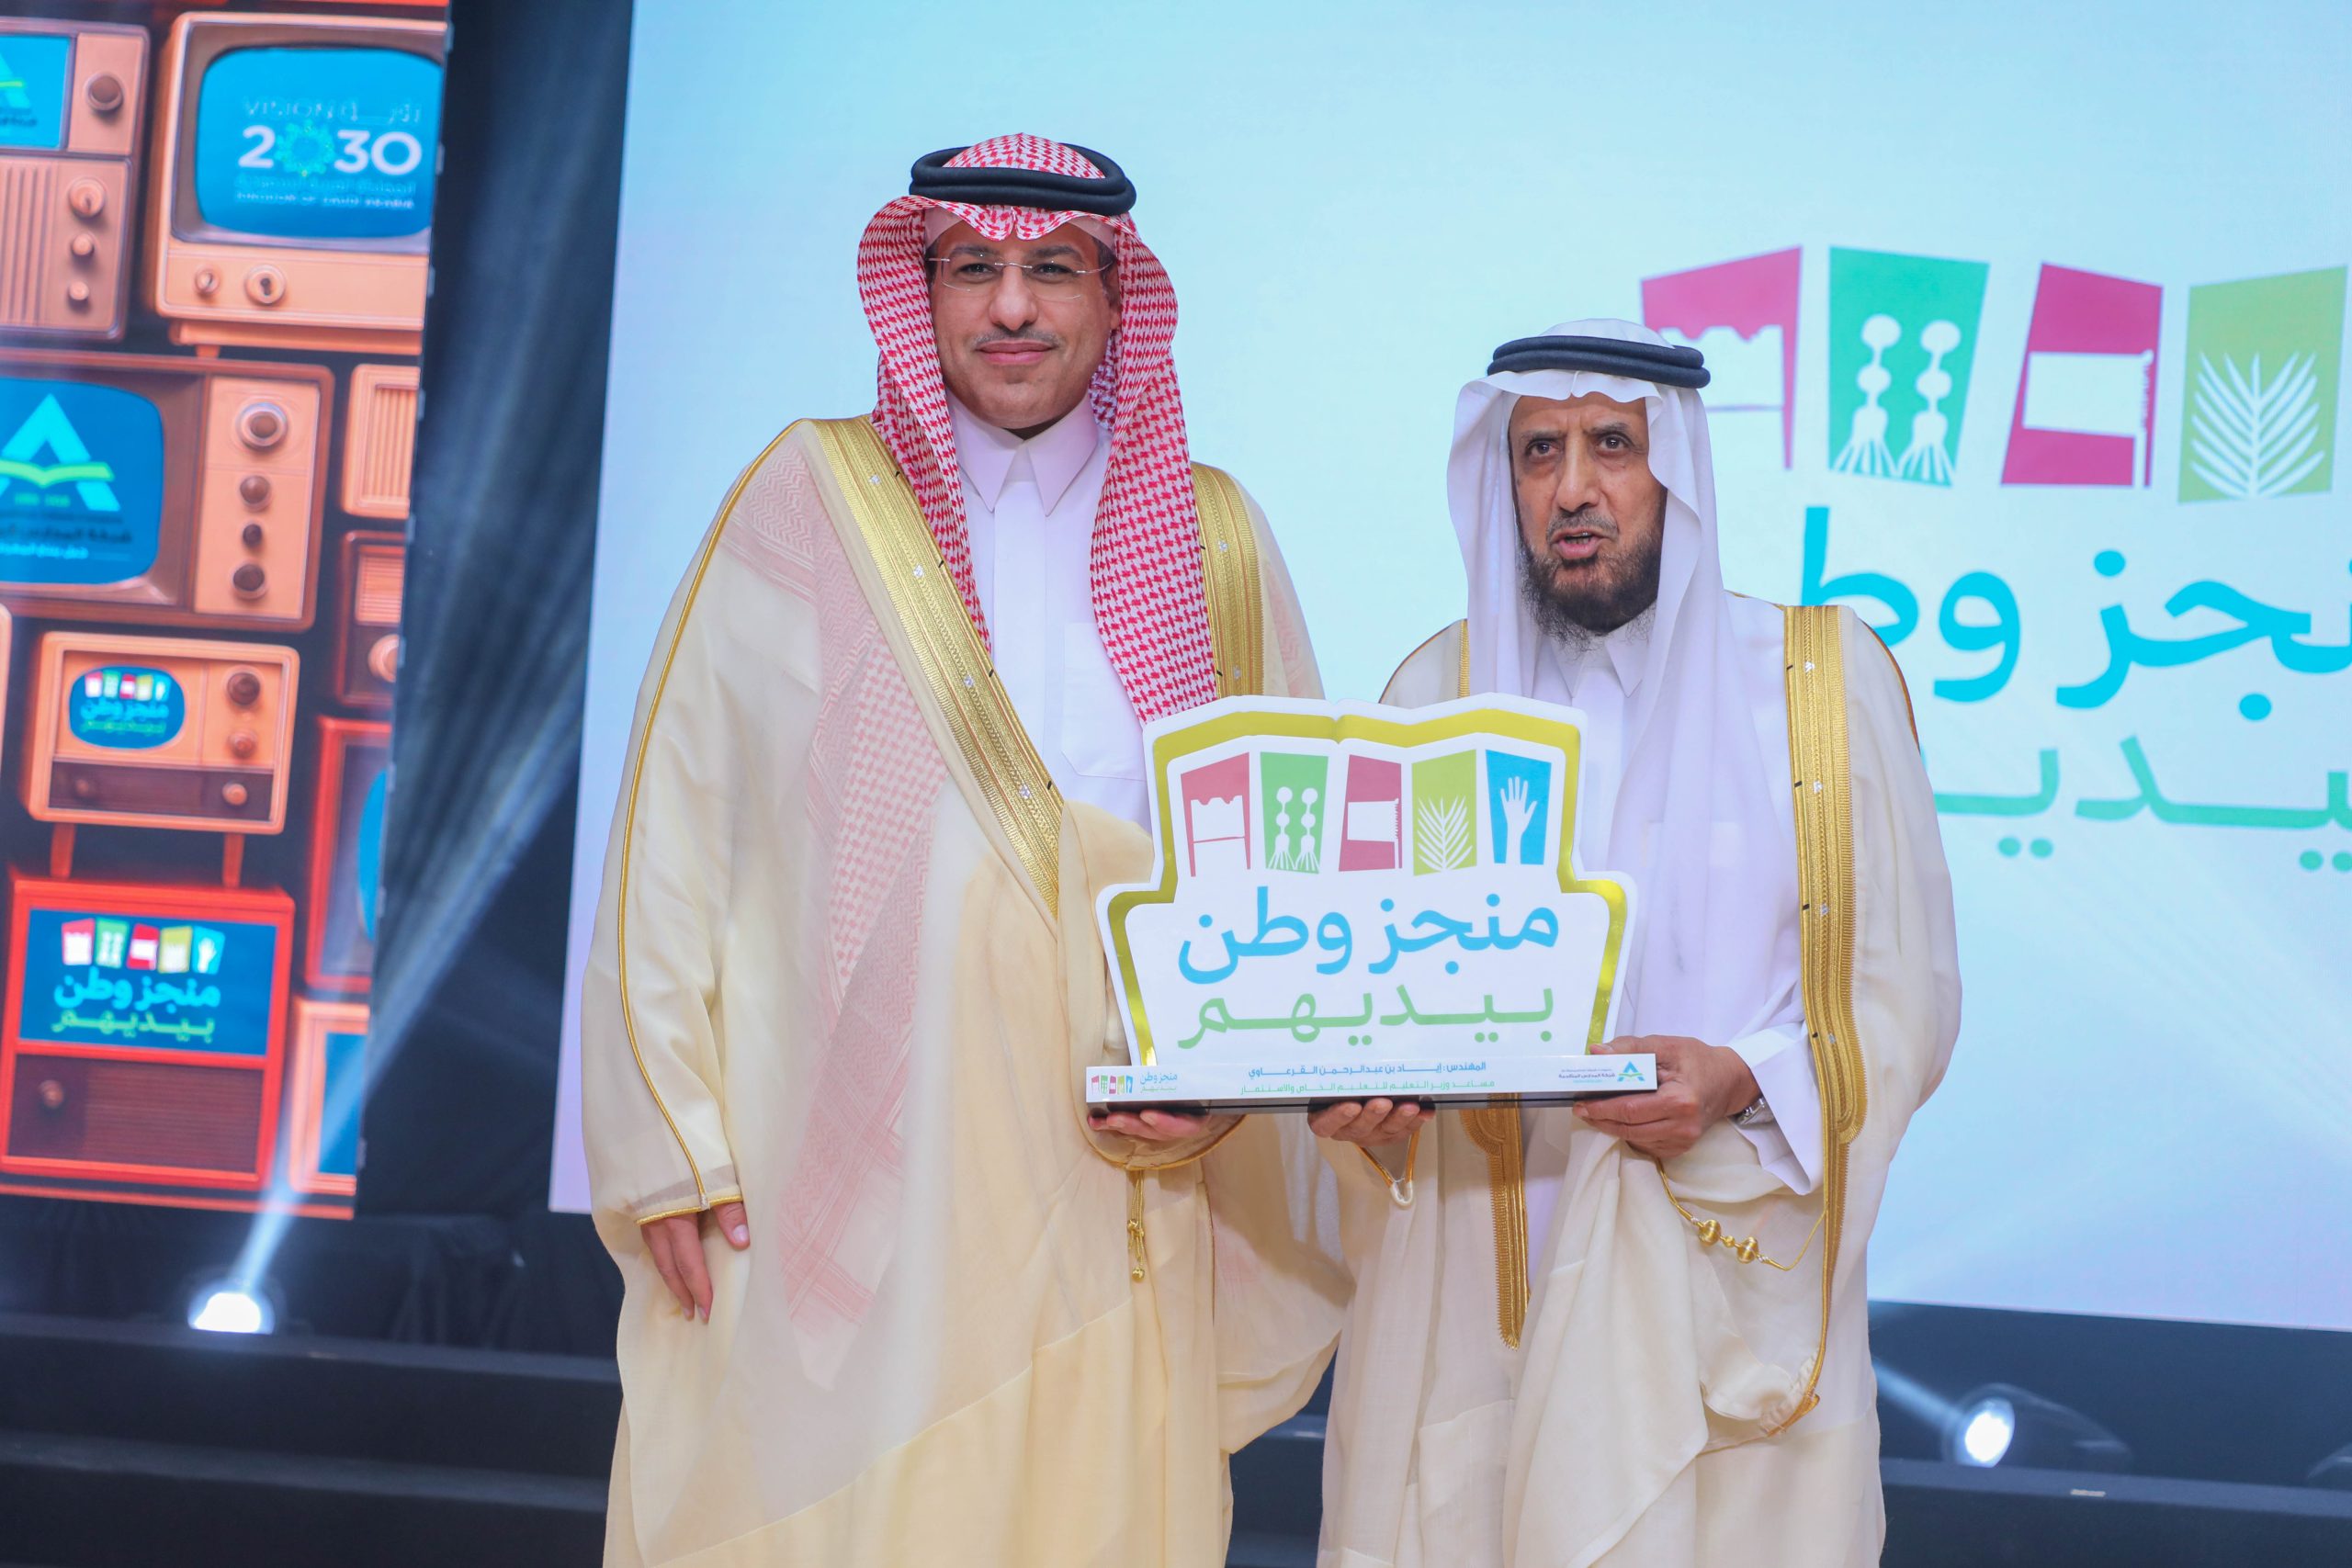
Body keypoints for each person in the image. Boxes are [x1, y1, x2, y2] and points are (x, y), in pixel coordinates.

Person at [580, 134, 1345, 1568]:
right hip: (855, 1157)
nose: (1010, 306)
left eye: (1053, 269)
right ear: (917, 292)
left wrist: (1233, 1085)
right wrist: (667, 1142)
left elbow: (1287, 868)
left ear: (1116, 300)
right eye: (972, 267)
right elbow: (678, 824)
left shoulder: (1216, 540)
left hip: (1118, 1172)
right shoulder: (810, 496)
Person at [1311, 321, 1961, 1566]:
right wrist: (1364, 1099)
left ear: (1680, 470)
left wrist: (1741, 1076)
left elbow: (1904, 998)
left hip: (1726, 1290)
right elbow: (1370, 993)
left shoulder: (1819, 686)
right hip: (1481, 1299)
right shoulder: (1430, 699)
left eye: (1612, 445)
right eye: (1537, 451)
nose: (1573, 489)